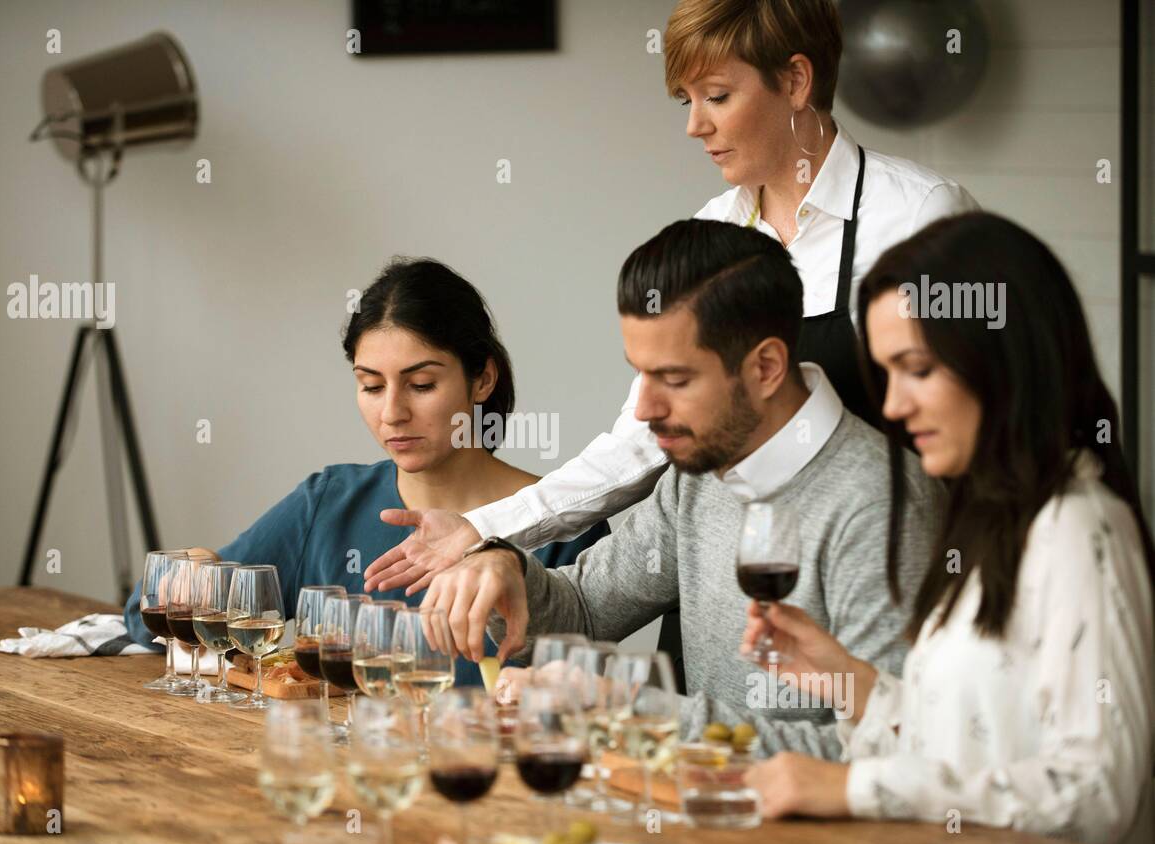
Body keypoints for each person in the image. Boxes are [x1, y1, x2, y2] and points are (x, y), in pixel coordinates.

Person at [363, 0, 977, 610]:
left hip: (875, 580)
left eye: (716, 96)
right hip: (727, 583)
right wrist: (487, 527)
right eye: (688, 101)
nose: (695, 126)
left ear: (795, 81)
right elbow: (642, 440)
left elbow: (978, 424)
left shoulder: (917, 216)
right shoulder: (713, 231)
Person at [420, 219, 946, 754]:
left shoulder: (881, 505)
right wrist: (507, 569)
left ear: (765, 367)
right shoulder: (699, 473)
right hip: (704, 818)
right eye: (639, 375)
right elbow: (584, 611)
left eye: (674, 380)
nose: (645, 410)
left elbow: (883, 751)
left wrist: (627, 711)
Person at [733, 212, 1155, 844]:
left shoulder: (1078, 527)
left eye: (917, 368)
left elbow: (1095, 792)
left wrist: (858, 787)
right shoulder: (993, 521)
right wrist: (852, 682)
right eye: (887, 373)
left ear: (1001, 356)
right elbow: (975, 745)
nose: (894, 405)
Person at [122, 258, 608, 687]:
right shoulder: (329, 502)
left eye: (421, 384)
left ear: (481, 379)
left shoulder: (564, 526)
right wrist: (189, 579)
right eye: (371, 386)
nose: (392, 412)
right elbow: (146, 622)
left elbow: (575, 702)